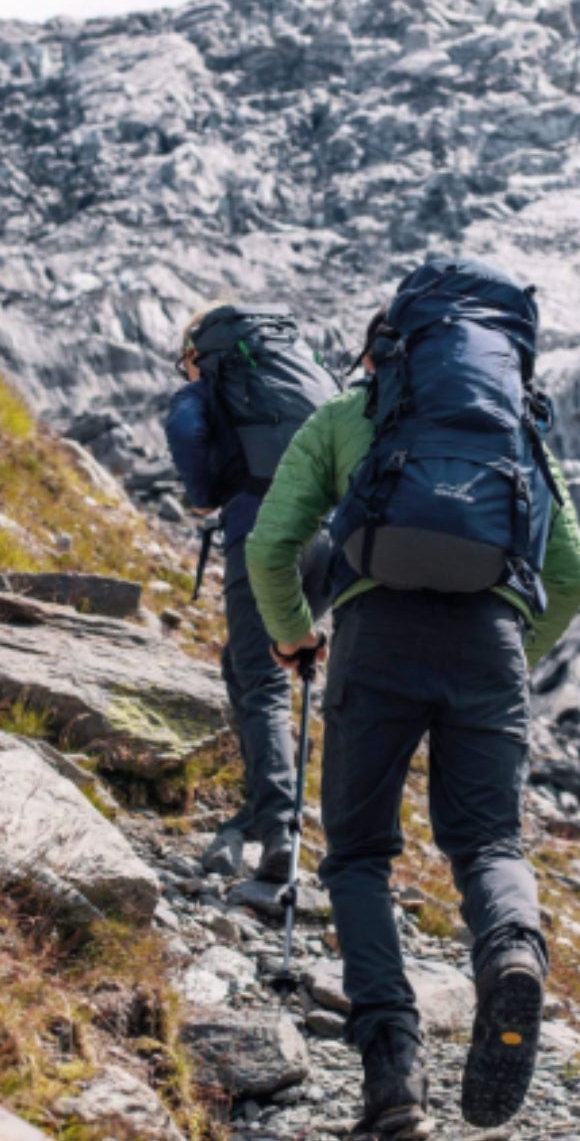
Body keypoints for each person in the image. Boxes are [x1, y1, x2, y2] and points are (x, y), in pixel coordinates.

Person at [247, 259, 580, 1139]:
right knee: (487, 841)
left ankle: (394, 1083)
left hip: (376, 643)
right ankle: (512, 952)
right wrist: (518, 648)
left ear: (383, 354)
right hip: (490, 646)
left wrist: (294, 635)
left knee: (359, 857)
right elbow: (574, 574)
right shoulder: (517, 430)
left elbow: (270, 546)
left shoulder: (346, 416)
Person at [166, 303, 333, 883]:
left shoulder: (209, 383)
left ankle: (281, 828)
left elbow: (185, 427)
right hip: (330, 540)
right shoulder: (295, 375)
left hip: (264, 535)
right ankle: (263, 801)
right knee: (251, 665)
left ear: (195, 353)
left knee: (260, 680)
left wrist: (202, 493)